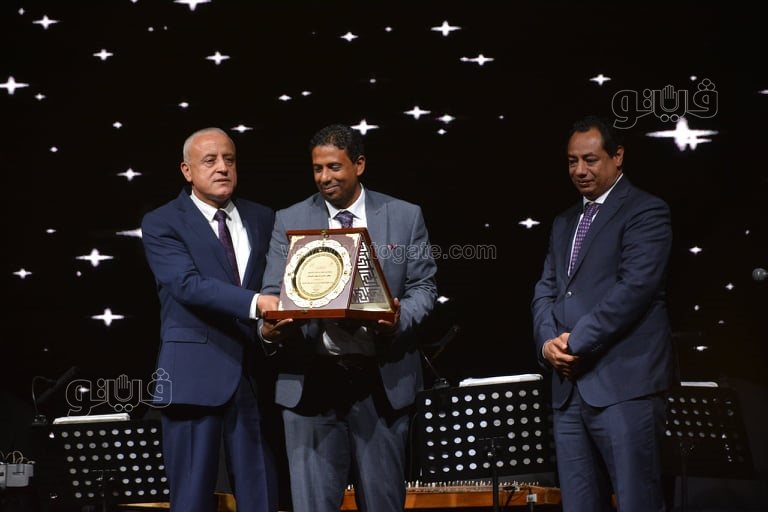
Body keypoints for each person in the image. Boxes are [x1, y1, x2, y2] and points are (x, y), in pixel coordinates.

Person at [259, 124, 437, 512]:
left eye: (334, 167)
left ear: (359, 164)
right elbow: (272, 293)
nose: (325, 177)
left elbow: (424, 288)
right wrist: (270, 327)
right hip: (311, 382)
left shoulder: (404, 216)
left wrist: (398, 318)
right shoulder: (289, 219)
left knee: (383, 503)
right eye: (317, 169)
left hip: (381, 381)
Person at [531, 116, 674, 512]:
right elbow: (546, 288)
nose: (580, 170)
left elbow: (634, 290)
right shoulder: (564, 222)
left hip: (624, 386)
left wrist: (574, 342)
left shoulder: (646, 211)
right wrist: (547, 344)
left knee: (637, 501)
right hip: (568, 390)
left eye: (590, 160)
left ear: (618, 156)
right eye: (572, 161)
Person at [141, 127, 278, 512]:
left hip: (255, 377)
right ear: (187, 170)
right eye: (210, 161)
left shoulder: (263, 217)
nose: (222, 168)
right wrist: (257, 304)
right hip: (192, 376)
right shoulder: (162, 221)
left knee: (262, 495)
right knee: (191, 498)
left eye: (229, 160)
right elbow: (186, 284)